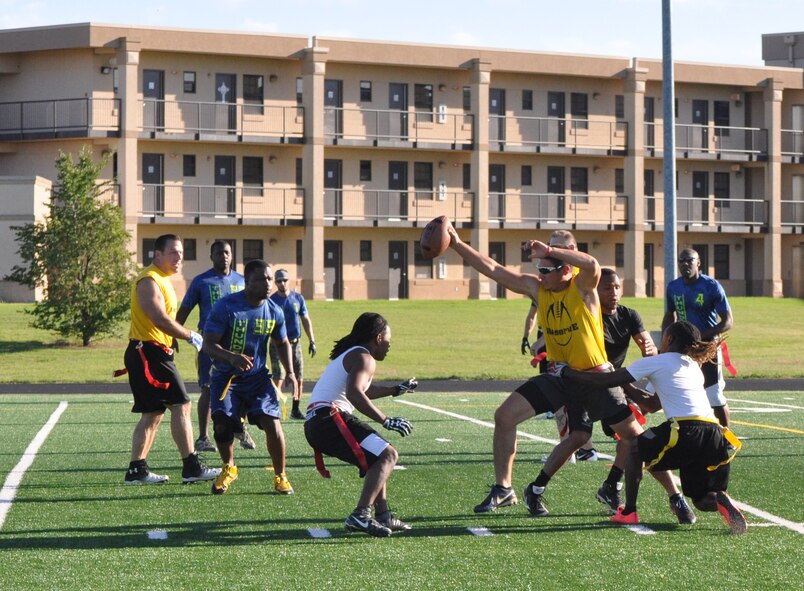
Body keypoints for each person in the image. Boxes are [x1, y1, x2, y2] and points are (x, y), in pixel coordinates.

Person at [447, 226, 643, 522]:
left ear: (566, 268)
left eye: (546, 269)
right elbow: (493, 269)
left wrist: (550, 250)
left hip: (595, 377)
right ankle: (504, 488)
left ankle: (649, 491)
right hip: (563, 378)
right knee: (505, 416)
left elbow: (591, 264)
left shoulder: (582, 285)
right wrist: (456, 243)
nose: (540, 274)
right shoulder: (539, 288)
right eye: (539, 267)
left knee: (634, 438)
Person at [563, 320, 747, 534]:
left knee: (634, 446)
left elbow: (603, 381)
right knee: (701, 499)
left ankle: (629, 511)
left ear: (669, 339)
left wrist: (568, 373)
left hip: (685, 430)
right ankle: (720, 500)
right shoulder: (693, 366)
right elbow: (651, 404)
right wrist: (625, 383)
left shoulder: (657, 361)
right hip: (714, 434)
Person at [594, 268, 696, 525]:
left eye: (616, 287)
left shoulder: (629, 315)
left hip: (612, 384)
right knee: (577, 439)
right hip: (588, 382)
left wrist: (650, 351)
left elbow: (648, 347)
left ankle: (669, 495)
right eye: (607, 287)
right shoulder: (588, 315)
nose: (613, 292)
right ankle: (534, 488)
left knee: (635, 438)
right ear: (594, 290)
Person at [304, 312, 418, 537]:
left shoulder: (355, 354)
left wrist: (395, 389)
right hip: (329, 418)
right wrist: (385, 420)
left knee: (379, 456)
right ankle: (361, 514)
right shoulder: (364, 357)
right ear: (378, 338)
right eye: (388, 340)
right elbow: (355, 393)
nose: (389, 346)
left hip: (320, 421)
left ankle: (383, 515)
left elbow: (364, 390)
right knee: (388, 455)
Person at [123, 233, 220, 485]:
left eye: (181, 253)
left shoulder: (162, 279)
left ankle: (136, 470)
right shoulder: (149, 280)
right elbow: (158, 318)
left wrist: (174, 337)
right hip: (149, 353)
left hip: (152, 352)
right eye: (173, 253)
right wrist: (190, 335)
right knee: (181, 405)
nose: (179, 258)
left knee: (153, 413)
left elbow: (162, 321)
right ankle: (191, 467)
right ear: (157, 254)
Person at [202, 259, 298, 496]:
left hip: (257, 379)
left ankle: (281, 476)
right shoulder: (226, 306)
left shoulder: (274, 310)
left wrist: (290, 372)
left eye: (270, 278)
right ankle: (229, 468)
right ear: (247, 282)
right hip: (226, 378)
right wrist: (231, 357)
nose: (268, 283)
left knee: (272, 423)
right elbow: (207, 344)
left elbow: (282, 342)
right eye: (262, 279)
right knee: (222, 425)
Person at [520, 230, 597, 463]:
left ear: (572, 250)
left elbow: (579, 317)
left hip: (586, 352)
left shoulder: (579, 278)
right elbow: (537, 309)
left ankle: (585, 450)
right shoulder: (548, 278)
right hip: (560, 350)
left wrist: (544, 340)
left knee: (618, 418)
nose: (551, 251)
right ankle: (577, 449)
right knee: (564, 403)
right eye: (549, 245)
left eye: (557, 247)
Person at [176, 240, 255, 453]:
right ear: (211, 257)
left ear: (232, 255)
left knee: (243, 386)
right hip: (209, 344)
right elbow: (185, 309)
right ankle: (203, 437)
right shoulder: (201, 281)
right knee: (208, 388)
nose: (224, 256)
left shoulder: (241, 280)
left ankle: (240, 428)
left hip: (238, 342)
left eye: (227, 252)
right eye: (219, 253)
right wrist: (174, 334)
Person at [662, 248, 734, 427]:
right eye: (681, 261)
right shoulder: (673, 287)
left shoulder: (711, 286)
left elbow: (728, 321)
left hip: (707, 347)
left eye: (689, 260)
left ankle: (726, 436)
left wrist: (700, 336)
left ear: (698, 263)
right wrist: (665, 340)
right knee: (679, 388)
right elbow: (670, 315)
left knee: (714, 394)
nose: (685, 264)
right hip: (683, 348)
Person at [269, 268, 317, 420]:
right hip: (277, 344)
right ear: (275, 283)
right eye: (279, 281)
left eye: (284, 280)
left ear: (289, 281)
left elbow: (305, 319)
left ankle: (295, 409)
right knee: (279, 377)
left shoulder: (298, 298)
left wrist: (312, 340)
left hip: (295, 343)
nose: (282, 283)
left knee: (299, 377)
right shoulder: (271, 301)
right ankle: (274, 409)